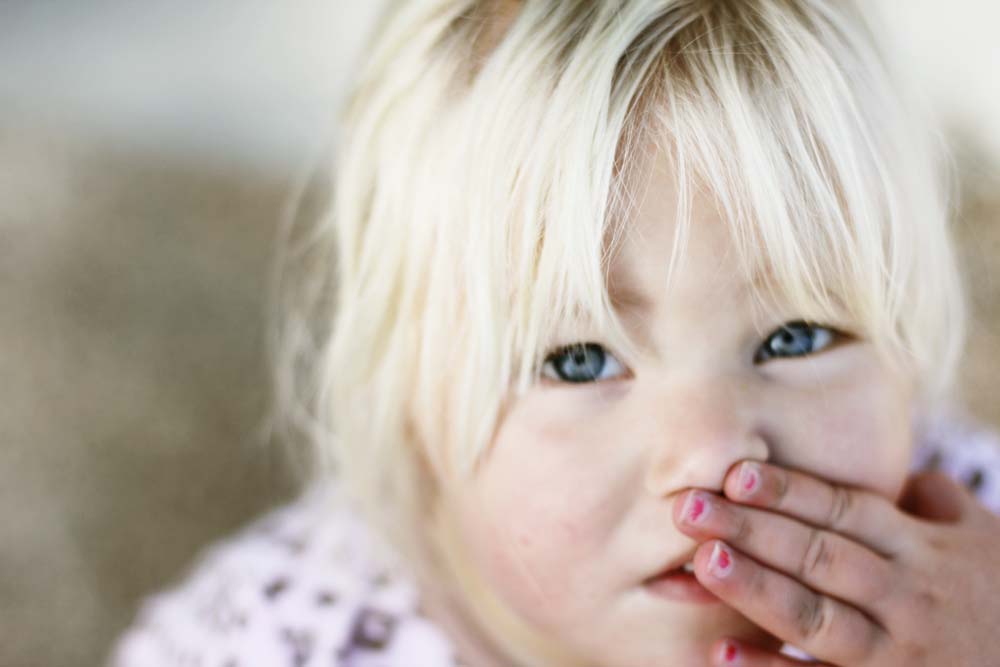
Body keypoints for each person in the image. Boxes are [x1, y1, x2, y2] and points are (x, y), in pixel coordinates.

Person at [109, 1, 1000, 665]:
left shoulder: (974, 559)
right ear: (411, 402)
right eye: (580, 359)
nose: (712, 455)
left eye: (797, 336)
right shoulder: (276, 638)